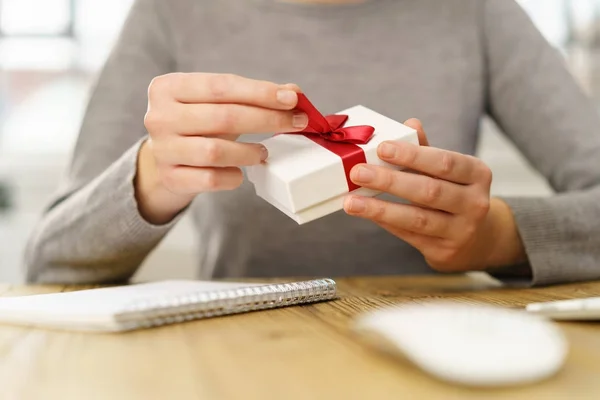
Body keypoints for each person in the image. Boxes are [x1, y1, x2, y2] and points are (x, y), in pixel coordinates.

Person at [24, 0, 600, 286]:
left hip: (432, 355)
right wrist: (151, 180)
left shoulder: (475, 11)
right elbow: (49, 264)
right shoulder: (172, 12)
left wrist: (498, 237)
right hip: (235, 365)